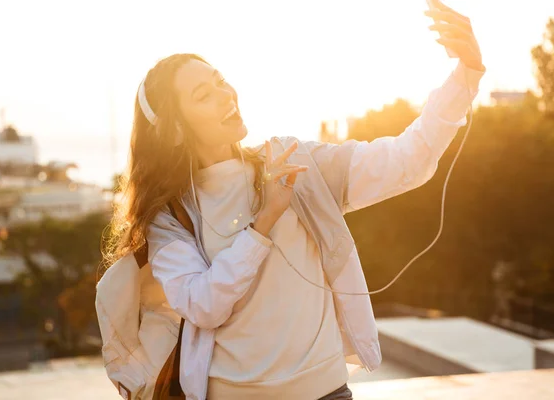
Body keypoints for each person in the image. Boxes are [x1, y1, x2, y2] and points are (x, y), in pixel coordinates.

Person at [106, 2, 485, 399]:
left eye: (220, 81)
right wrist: (264, 221)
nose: (225, 95)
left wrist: (466, 76)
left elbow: (407, 160)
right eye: (204, 95)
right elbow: (203, 306)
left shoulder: (294, 163)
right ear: (174, 131)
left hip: (326, 392)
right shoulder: (170, 216)